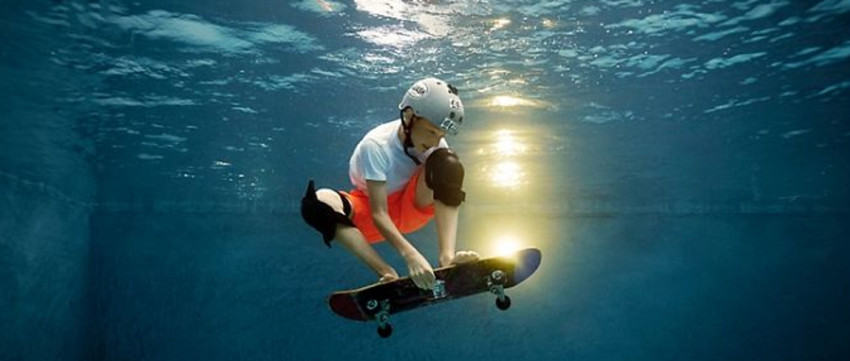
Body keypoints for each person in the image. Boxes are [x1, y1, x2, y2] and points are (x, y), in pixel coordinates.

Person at [301, 77, 479, 290]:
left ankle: (447, 259)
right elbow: (379, 214)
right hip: (371, 215)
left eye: (440, 134)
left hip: (413, 206)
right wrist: (410, 255)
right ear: (409, 115)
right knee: (316, 203)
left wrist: (447, 259)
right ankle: (386, 272)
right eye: (431, 132)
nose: (434, 141)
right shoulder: (376, 145)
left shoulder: (437, 146)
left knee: (448, 162)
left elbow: (444, 186)